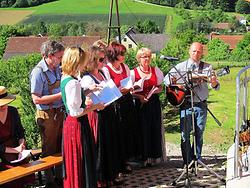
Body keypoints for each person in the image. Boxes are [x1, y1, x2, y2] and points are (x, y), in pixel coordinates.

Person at [164, 42, 220, 165]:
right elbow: (166, 79)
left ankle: (197, 159)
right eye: (194, 51)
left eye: (199, 51)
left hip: (200, 103)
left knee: (199, 132)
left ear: (202, 53)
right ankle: (187, 161)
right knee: (185, 134)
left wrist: (214, 82)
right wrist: (177, 84)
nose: (196, 53)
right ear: (189, 52)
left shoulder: (207, 68)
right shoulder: (180, 66)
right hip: (185, 103)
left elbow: (215, 86)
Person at [60, 47, 105, 188]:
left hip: (72, 124)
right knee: (80, 159)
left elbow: (74, 99)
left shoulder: (66, 77)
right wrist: (95, 107)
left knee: (80, 160)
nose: (84, 65)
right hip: (77, 125)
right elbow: (76, 112)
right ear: (76, 62)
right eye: (82, 61)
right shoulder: (73, 83)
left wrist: (89, 90)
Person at [81, 45, 121, 187]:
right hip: (97, 115)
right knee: (101, 147)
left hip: (108, 111)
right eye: (101, 59)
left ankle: (112, 174)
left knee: (111, 144)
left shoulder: (103, 73)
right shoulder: (87, 79)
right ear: (92, 60)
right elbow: (87, 97)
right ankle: (101, 178)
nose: (103, 62)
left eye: (104, 59)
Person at [30, 40, 65, 187]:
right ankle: (49, 181)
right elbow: (36, 99)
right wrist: (61, 95)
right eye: (59, 57)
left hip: (59, 112)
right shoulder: (38, 72)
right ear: (50, 56)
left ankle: (59, 177)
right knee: (49, 149)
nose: (61, 59)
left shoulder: (57, 68)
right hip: (47, 115)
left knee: (59, 146)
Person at [102, 41, 137, 175]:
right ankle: (118, 162)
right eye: (121, 53)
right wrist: (120, 90)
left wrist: (130, 87)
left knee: (127, 130)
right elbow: (108, 88)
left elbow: (128, 81)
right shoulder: (106, 69)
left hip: (126, 101)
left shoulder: (125, 67)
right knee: (117, 131)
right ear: (114, 54)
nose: (123, 56)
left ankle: (126, 160)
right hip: (115, 102)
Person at [131, 47, 165, 166]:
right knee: (142, 130)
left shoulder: (156, 70)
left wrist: (157, 89)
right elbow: (129, 91)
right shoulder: (133, 73)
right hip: (140, 104)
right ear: (139, 58)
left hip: (153, 103)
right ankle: (143, 158)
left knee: (154, 128)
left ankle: (154, 158)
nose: (147, 59)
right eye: (144, 57)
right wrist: (139, 96)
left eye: (149, 56)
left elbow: (161, 86)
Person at [0, 86, 35, 188]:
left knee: (24, 167)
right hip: (3, 151)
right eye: (1, 105)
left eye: (5, 102)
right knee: (8, 173)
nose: (5, 106)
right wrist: (14, 150)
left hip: (15, 148)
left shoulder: (13, 111)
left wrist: (21, 144)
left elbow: (20, 132)